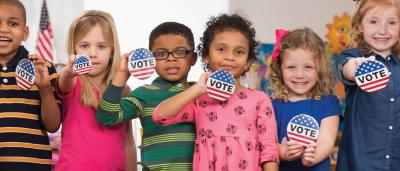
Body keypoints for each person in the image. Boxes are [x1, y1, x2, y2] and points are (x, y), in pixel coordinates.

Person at [152, 14, 279, 171]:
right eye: (221, 49)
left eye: (239, 52)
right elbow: (160, 116)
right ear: (206, 56)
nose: (229, 57)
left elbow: (270, 151)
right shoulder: (199, 99)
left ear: (247, 63)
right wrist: (197, 89)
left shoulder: (259, 99)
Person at [96, 22, 197, 170]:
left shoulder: (202, 93)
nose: (171, 59)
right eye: (161, 54)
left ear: (193, 58)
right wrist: (122, 75)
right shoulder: (144, 94)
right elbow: (107, 116)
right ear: (151, 59)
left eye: (180, 52)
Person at [54, 10, 136, 171]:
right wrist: (69, 71)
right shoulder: (74, 82)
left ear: (112, 50)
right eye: (84, 46)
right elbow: (63, 82)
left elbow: (129, 143)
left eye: (101, 46)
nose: (92, 53)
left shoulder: (124, 89)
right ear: (74, 49)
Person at [335, 0, 400, 170]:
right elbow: (346, 68)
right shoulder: (353, 56)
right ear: (359, 25)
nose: (382, 30)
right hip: (360, 163)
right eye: (373, 21)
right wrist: (355, 67)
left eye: (391, 22)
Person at [0, 0, 61, 170]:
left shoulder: (42, 68)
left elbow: (53, 125)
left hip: (32, 165)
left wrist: (45, 90)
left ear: (25, 32)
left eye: (13, 23)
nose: (4, 29)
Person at [268, 28, 340, 171]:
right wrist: (282, 152)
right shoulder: (271, 105)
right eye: (291, 67)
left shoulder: (328, 103)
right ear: (280, 69)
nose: (299, 74)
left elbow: (327, 140)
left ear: (319, 68)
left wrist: (314, 156)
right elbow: (266, 144)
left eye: (308, 67)